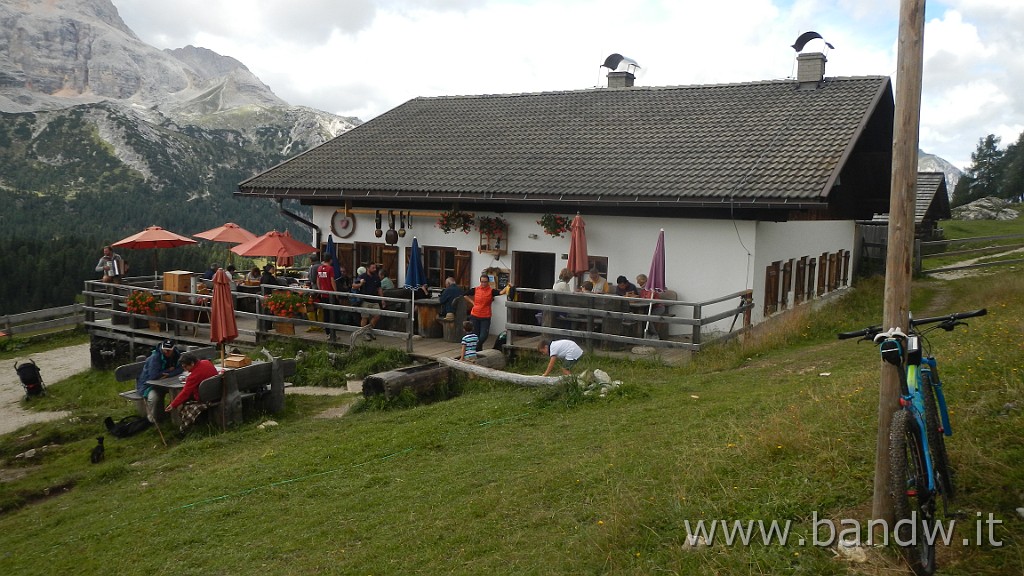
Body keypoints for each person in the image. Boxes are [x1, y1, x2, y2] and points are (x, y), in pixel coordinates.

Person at [165, 352, 219, 434]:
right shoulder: (207, 362)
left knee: (184, 404)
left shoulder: (193, 377)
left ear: (192, 363)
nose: (184, 369)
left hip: (206, 398)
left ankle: (184, 429)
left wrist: (173, 404)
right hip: (217, 392)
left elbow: (185, 393)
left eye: (185, 366)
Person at [135, 339, 183, 423]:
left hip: (167, 382)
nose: (167, 352)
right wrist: (169, 370)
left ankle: (178, 416)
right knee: (153, 398)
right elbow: (153, 375)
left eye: (169, 350)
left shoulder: (176, 355)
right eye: (165, 350)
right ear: (162, 348)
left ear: (173, 349)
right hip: (149, 384)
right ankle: (151, 420)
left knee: (180, 392)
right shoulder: (155, 357)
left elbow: (181, 368)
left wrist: (169, 374)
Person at [463, 273, 511, 349]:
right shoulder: (476, 289)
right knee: (475, 335)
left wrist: (508, 286)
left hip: (485, 316)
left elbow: (501, 292)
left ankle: (476, 347)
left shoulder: (491, 291)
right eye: (482, 282)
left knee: (483, 336)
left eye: (485, 282)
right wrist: (472, 302)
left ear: (488, 282)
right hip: (475, 315)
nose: (483, 283)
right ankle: (477, 351)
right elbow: (465, 295)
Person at [355, 263, 383, 339]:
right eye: (373, 268)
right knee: (365, 317)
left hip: (374, 300)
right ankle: (364, 334)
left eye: (375, 268)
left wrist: (382, 299)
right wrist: (361, 284)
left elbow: (379, 288)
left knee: (377, 315)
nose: (375, 269)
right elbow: (354, 286)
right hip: (365, 300)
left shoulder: (376, 277)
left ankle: (368, 330)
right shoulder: (362, 276)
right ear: (368, 268)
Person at [314, 254, 337, 335]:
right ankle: (332, 333)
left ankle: (327, 332)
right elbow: (332, 281)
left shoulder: (320, 268)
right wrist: (336, 292)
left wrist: (320, 290)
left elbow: (318, 280)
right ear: (330, 260)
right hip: (330, 294)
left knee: (325, 313)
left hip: (323, 293)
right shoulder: (330, 268)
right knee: (332, 314)